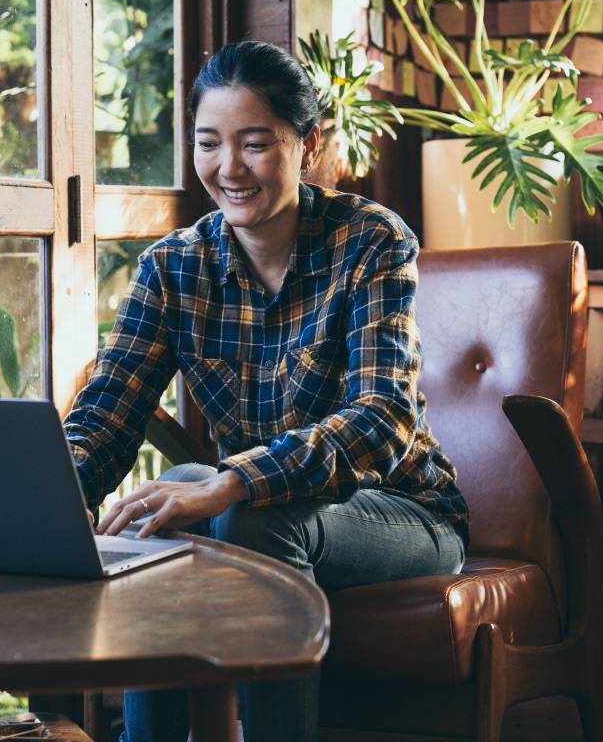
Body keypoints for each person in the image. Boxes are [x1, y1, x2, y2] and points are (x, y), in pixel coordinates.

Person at [64, 40, 469, 742]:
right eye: (209, 144)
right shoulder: (173, 268)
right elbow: (106, 414)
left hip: (405, 512)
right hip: (256, 507)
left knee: (248, 513)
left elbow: (382, 417)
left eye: (254, 144)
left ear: (307, 144)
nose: (229, 169)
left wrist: (233, 482)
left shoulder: (371, 242)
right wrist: (42, 500)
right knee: (159, 508)